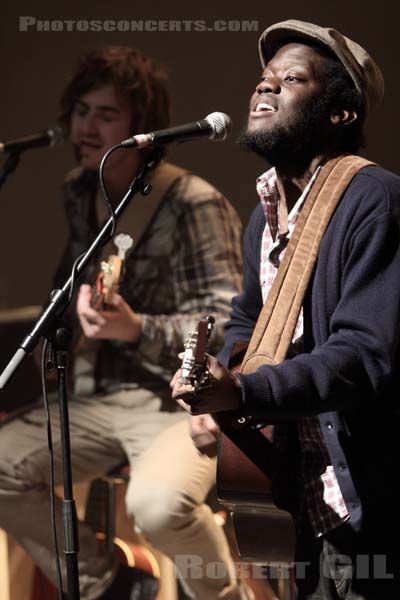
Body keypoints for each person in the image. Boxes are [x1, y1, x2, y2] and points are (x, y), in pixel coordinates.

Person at [0, 46, 248, 600]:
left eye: (106, 114)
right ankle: (110, 583)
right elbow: (73, 282)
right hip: (97, 397)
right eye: (81, 110)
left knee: (157, 505)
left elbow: (231, 324)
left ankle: (227, 596)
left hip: (173, 402)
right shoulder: (78, 191)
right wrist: (64, 325)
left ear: (143, 129)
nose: (87, 126)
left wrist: (137, 328)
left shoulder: (193, 203)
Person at [172, 20, 400, 600]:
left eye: (291, 79)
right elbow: (249, 319)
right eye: (262, 79)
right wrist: (217, 385)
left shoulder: (371, 199)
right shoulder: (265, 218)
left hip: (369, 507)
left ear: (339, 114)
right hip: (303, 507)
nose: (264, 89)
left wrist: (245, 394)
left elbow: (364, 355)